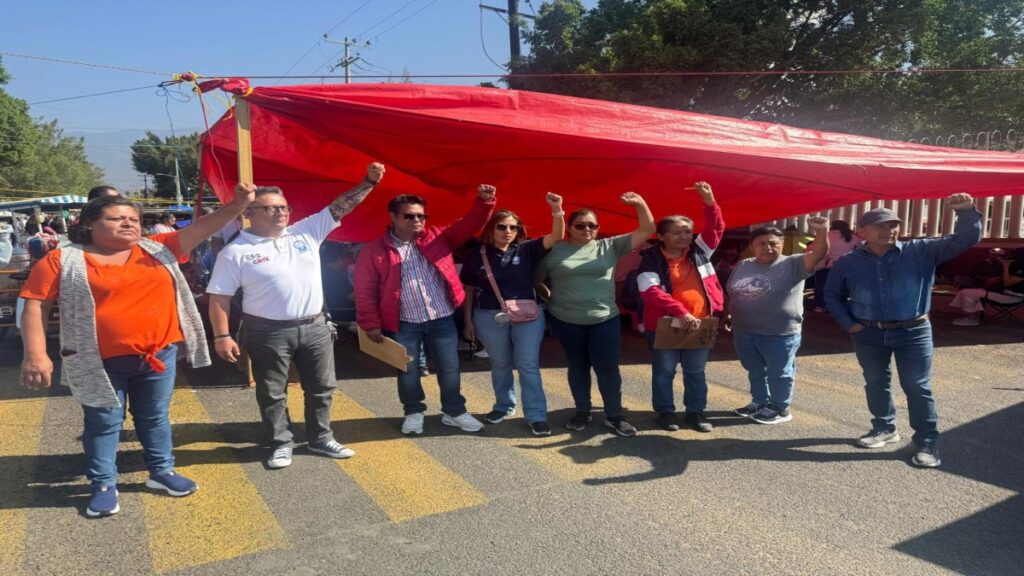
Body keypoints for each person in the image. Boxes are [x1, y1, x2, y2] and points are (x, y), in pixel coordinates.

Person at [18, 188, 253, 518]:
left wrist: (238, 204)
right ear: (89, 223)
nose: (129, 224)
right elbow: (35, 305)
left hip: (158, 356)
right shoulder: (62, 260)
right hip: (97, 361)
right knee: (104, 422)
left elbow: (204, 227)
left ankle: (162, 471)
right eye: (117, 218)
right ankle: (103, 483)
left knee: (155, 417)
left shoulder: (159, 248)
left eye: (134, 219)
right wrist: (35, 354)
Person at [208, 163, 384, 469]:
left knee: (322, 387)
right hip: (266, 332)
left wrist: (369, 182)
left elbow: (341, 206)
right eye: (270, 208)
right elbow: (219, 297)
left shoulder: (306, 231)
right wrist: (221, 336)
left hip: (315, 327)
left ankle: (320, 438)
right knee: (272, 392)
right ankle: (280, 442)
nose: (280, 212)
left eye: (283, 207)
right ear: (249, 213)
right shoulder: (235, 251)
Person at [824, 195, 981, 468]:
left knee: (917, 386)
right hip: (868, 333)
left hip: (913, 332)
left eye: (893, 225)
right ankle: (884, 428)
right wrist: (850, 324)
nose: (889, 230)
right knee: (875, 381)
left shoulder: (921, 250)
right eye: (880, 226)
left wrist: (966, 211)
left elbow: (966, 239)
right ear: (862, 232)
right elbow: (831, 294)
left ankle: (926, 441)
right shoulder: (848, 262)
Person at [355, 185, 496, 435]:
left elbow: (469, 224)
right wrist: (371, 324)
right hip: (404, 323)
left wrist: (485, 202)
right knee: (408, 371)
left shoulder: (437, 237)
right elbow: (364, 290)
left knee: (450, 369)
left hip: (441, 318)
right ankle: (413, 412)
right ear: (393, 217)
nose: (417, 220)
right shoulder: (374, 250)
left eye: (421, 216)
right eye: (409, 216)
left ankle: (454, 412)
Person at [536, 192, 655, 436]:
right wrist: (548, 296)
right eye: (580, 225)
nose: (587, 229)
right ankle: (582, 412)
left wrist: (640, 204)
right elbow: (535, 278)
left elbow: (647, 230)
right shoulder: (554, 251)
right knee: (577, 367)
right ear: (569, 228)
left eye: (592, 225)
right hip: (567, 320)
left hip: (604, 319)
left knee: (608, 369)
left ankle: (614, 416)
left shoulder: (609, 246)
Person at [461, 193, 565, 436]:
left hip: (527, 314)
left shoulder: (526, 249)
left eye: (513, 227)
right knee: (500, 363)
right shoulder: (476, 255)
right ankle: (504, 406)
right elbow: (469, 289)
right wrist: (467, 321)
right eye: (502, 227)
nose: (508, 231)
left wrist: (557, 209)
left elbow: (557, 236)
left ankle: (536, 415)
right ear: (491, 229)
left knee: (528, 364)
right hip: (488, 315)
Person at [636, 182, 724, 432]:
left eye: (688, 231)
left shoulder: (700, 251)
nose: (685, 237)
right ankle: (665, 413)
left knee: (695, 371)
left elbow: (716, 228)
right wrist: (681, 312)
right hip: (666, 324)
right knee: (664, 371)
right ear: (662, 236)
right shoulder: (650, 260)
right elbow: (649, 291)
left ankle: (696, 413)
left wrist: (710, 202)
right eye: (677, 233)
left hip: (700, 323)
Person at [727, 217, 829, 425]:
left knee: (779, 372)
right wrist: (728, 314)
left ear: (782, 244)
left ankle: (780, 408)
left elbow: (819, 253)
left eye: (774, 243)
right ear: (752, 247)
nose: (768, 247)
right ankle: (760, 401)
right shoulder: (744, 264)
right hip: (744, 330)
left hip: (778, 332)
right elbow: (734, 291)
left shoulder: (793, 264)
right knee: (755, 369)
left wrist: (822, 232)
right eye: (761, 243)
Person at [948, 248, 1024, 325]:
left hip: (1011, 296)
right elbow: (977, 275)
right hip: (1001, 291)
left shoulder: (1020, 267)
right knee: (965, 289)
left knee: (966, 293)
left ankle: (973, 318)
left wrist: (1005, 266)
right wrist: (991, 280)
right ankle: (974, 315)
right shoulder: (983, 264)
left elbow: (1007, 282)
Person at [810, 220, 861, 312]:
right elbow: (861, 248)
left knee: (822, 285)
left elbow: (814, 247)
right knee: (843, 287)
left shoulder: (827, 236)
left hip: (828, 265)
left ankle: (821, 306)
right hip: (847, 266)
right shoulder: (853, 237)